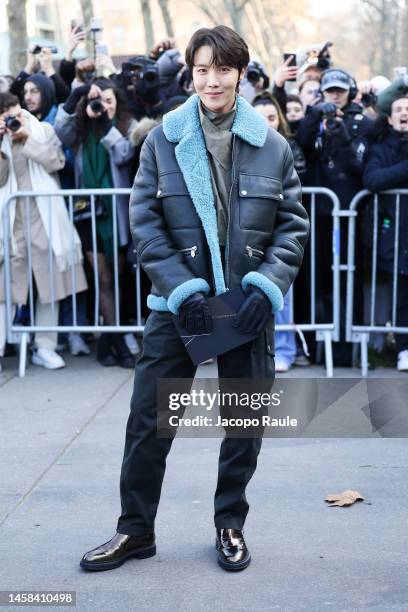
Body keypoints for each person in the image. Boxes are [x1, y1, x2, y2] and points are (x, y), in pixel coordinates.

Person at [80, 26, 309, 573]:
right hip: (175, 305)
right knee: (146, 422)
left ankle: (230, 525)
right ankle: (135, 531)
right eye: (202, 70)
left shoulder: (272, 145)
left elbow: (293, 226)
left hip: (245, 305)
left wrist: (266, 287)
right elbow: (146, 223)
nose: (212, 80)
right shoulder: (163, 139)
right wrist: (180, 290)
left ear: (240, 74)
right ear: (191, 74)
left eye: (222, 69)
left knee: (244, 424)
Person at [0, 92, 87, 371]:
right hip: (11, 220)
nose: (15, 120)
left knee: (49, 282)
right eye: (8, 118)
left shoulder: (42, 130)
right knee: (5, 288)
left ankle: (45, 346)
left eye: (16, 114)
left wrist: (25, 139)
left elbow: (56, 162)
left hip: (43, 216)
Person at [54, 78, 137, 368]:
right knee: (102, 278)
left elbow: (125, 154)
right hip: (88, 215)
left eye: (109, 101)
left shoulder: (124, 127)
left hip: (117, 217)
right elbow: (60, 130)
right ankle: (118, 344)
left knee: (118, 277)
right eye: (98, 101)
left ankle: (108, 342)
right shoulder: (79, 134)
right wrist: (77, 94)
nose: (103, 105)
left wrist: (105, 125)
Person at [295, 68, 373, 365]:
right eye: (330, 91)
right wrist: (314, 117)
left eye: (340, 90)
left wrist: (341, 137)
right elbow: (298, 146)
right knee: (318, 282)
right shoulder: (314, 121)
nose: (335, 96)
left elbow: (361, 168)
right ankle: (316, 348)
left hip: (350, 215)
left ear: (349, 92)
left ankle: (347, 352)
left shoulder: (363, 123)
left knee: (349, 282)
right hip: (318, 215)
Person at [252, 92, 306, 373]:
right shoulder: (240, 148)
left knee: (282, 294)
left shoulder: (287, 149)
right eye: (261, 119)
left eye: (272, 118)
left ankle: (284, 348)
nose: (267, 124)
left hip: (278, 234)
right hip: (248, 236)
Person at [362, 95, 408, 371]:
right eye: (399, 109)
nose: (404, 113)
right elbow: (373, 179)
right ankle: (404, 348)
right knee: (402, 292)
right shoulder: (382, 147)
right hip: (398, 233)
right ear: (390, 118)